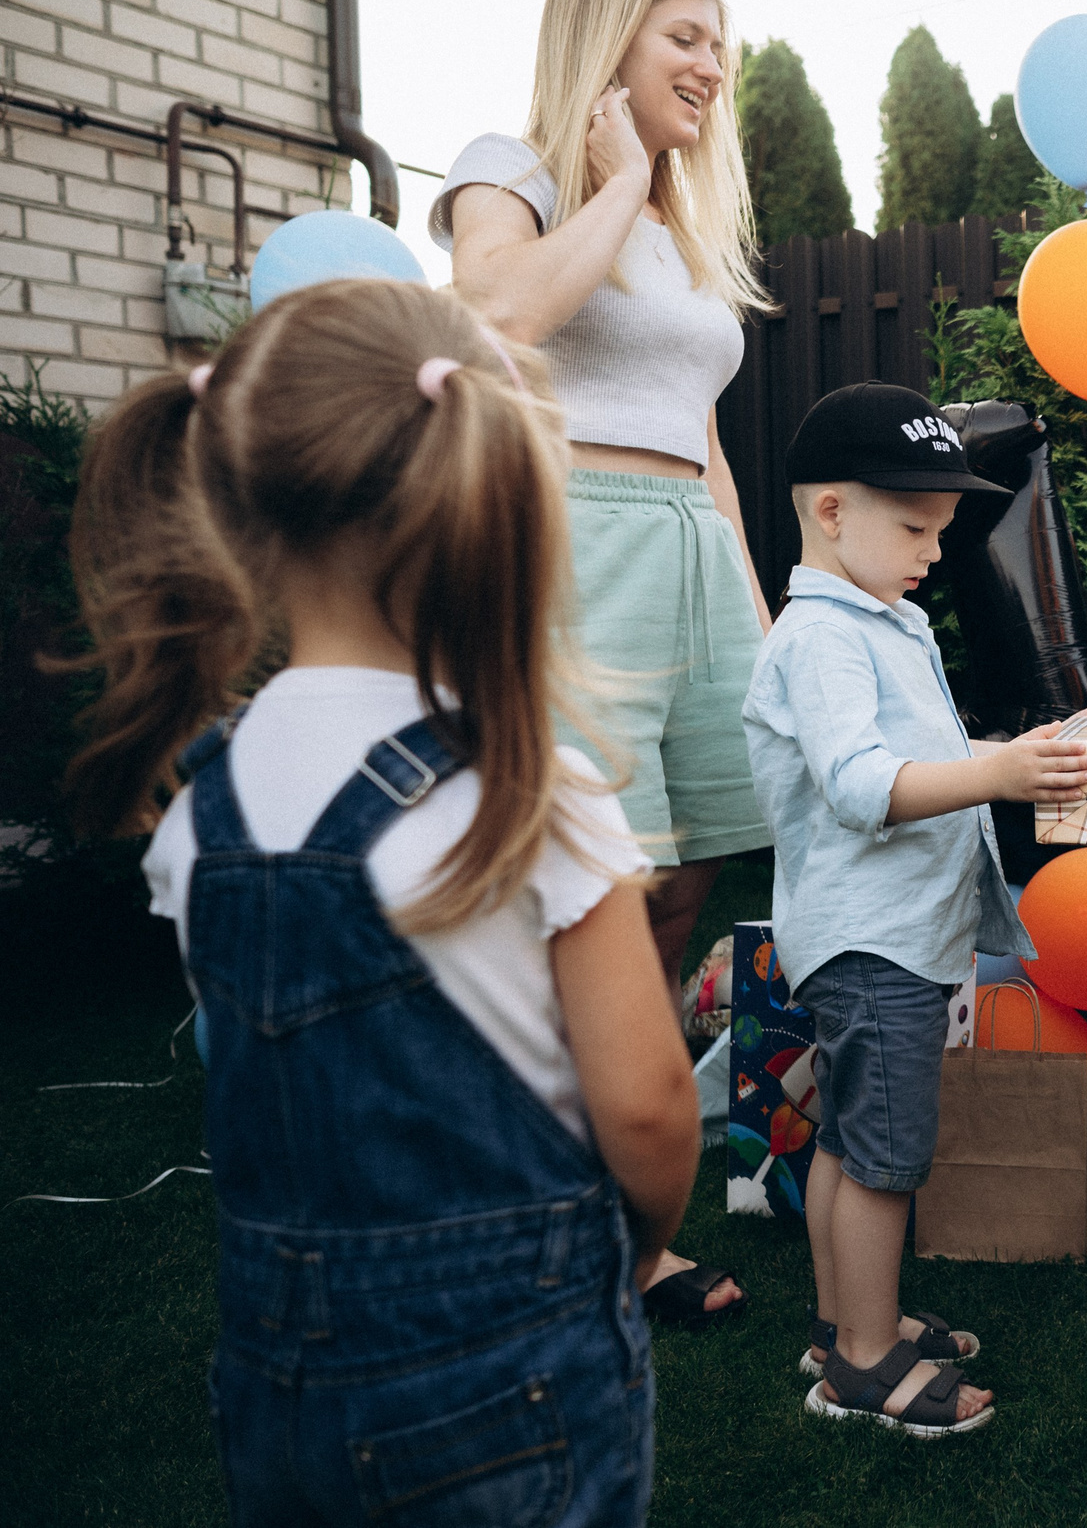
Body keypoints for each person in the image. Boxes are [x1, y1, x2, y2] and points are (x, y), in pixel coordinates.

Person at [63, 281, 700, 1525]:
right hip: (510, 1371)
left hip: (273, 1380)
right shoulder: (532, 792)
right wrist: (633, 1248)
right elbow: (650, 1101)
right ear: (488, 502)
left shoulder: (201, 808)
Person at [435, 0, 768, 1326]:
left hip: (696, 553)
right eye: (683, 36)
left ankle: (623, 1226)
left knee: (690, 881)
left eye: (716, 40)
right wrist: (621, 176)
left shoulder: (690, 224)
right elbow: (495, 316)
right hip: (582, 552)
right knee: (594, 892)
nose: (710, 64)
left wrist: (766, 610)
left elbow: (703, 434)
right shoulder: (505, 173)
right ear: (609, 38)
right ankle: (574, 1219)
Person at [741, 382, 1087, 1435]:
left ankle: (846, 1314)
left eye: (941, 528)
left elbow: (927, 757)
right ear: (831, 511)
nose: (935, 549)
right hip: (871, 943)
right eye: (914, 526)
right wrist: (999, 777)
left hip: (889, 936)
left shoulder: (884, 619)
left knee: (851, 1137)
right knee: (887, 1153)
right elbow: (861, 783)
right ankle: (863, 1359)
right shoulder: (822, 637)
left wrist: (1008, 758)